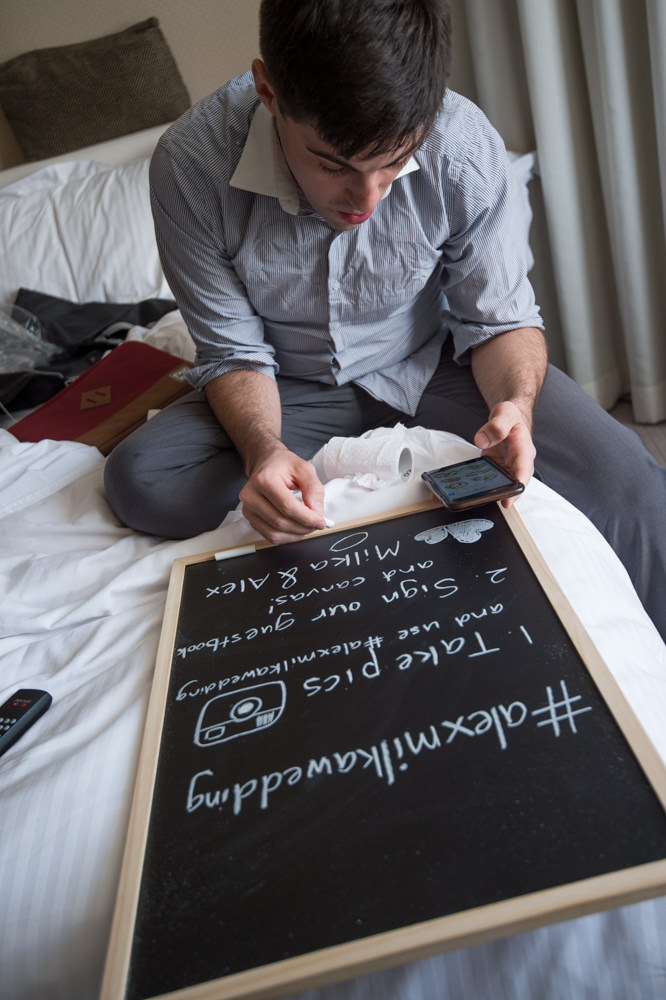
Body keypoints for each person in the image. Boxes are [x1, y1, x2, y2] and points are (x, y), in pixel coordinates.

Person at [104, 0, 666, 642]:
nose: (365, 199)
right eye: (333, 164)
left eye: (395, 163)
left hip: (434, 364)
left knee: (633, 489)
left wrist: (514, 404)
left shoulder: (463, 142)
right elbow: (233, 353)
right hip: (287, 387)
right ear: (268, 91)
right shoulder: (191, 164)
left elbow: (499, 317)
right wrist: (265, 449)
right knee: (141, 480)